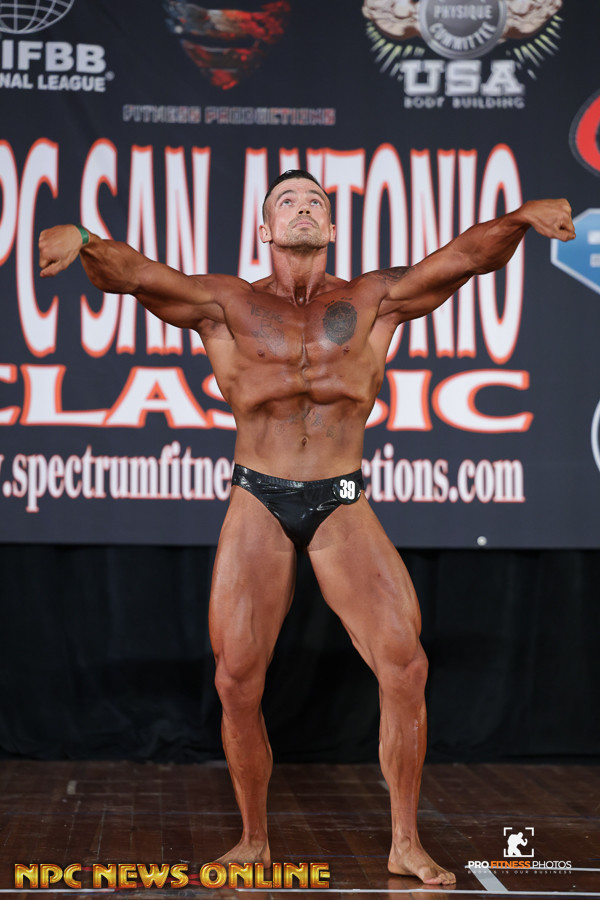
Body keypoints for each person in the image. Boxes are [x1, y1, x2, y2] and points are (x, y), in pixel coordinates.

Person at [38, 172, 575, 885]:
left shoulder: (374, 299)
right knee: (236, 679)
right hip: (258, 496)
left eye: (315, 202)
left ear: (332, 228)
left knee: (406, 666)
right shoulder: (227, 304)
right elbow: (136, 276)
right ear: (265, 229)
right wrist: (84, 239)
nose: (303, 208)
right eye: (287, 202)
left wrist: (519, 217)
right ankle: (254, 839)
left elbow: (463, 259)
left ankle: (405, 842)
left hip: (340, 499)